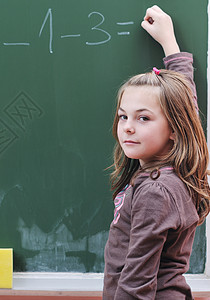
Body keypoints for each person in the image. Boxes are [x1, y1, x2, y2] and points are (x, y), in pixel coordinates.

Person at [103, 5, 210, 299]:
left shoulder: (155, 192)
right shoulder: (178, 171)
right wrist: (170, 45)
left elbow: (137, 282)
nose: (127, 127)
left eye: (143, 118)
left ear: (174, 128)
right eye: (123, 116)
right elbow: (184, 104)